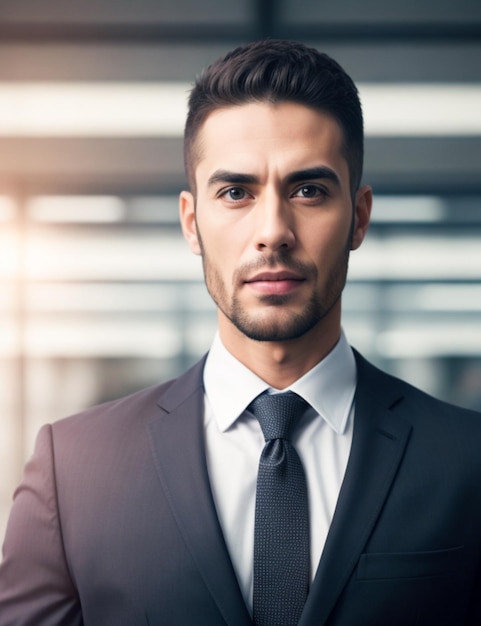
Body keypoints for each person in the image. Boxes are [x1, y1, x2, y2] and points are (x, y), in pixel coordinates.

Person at [1, 39, 480, 626]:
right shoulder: (73, 468)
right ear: (191, 220)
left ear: (358, 216)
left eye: (309, 190)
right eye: (235, 192)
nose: (273, 231)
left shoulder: (467, 461)